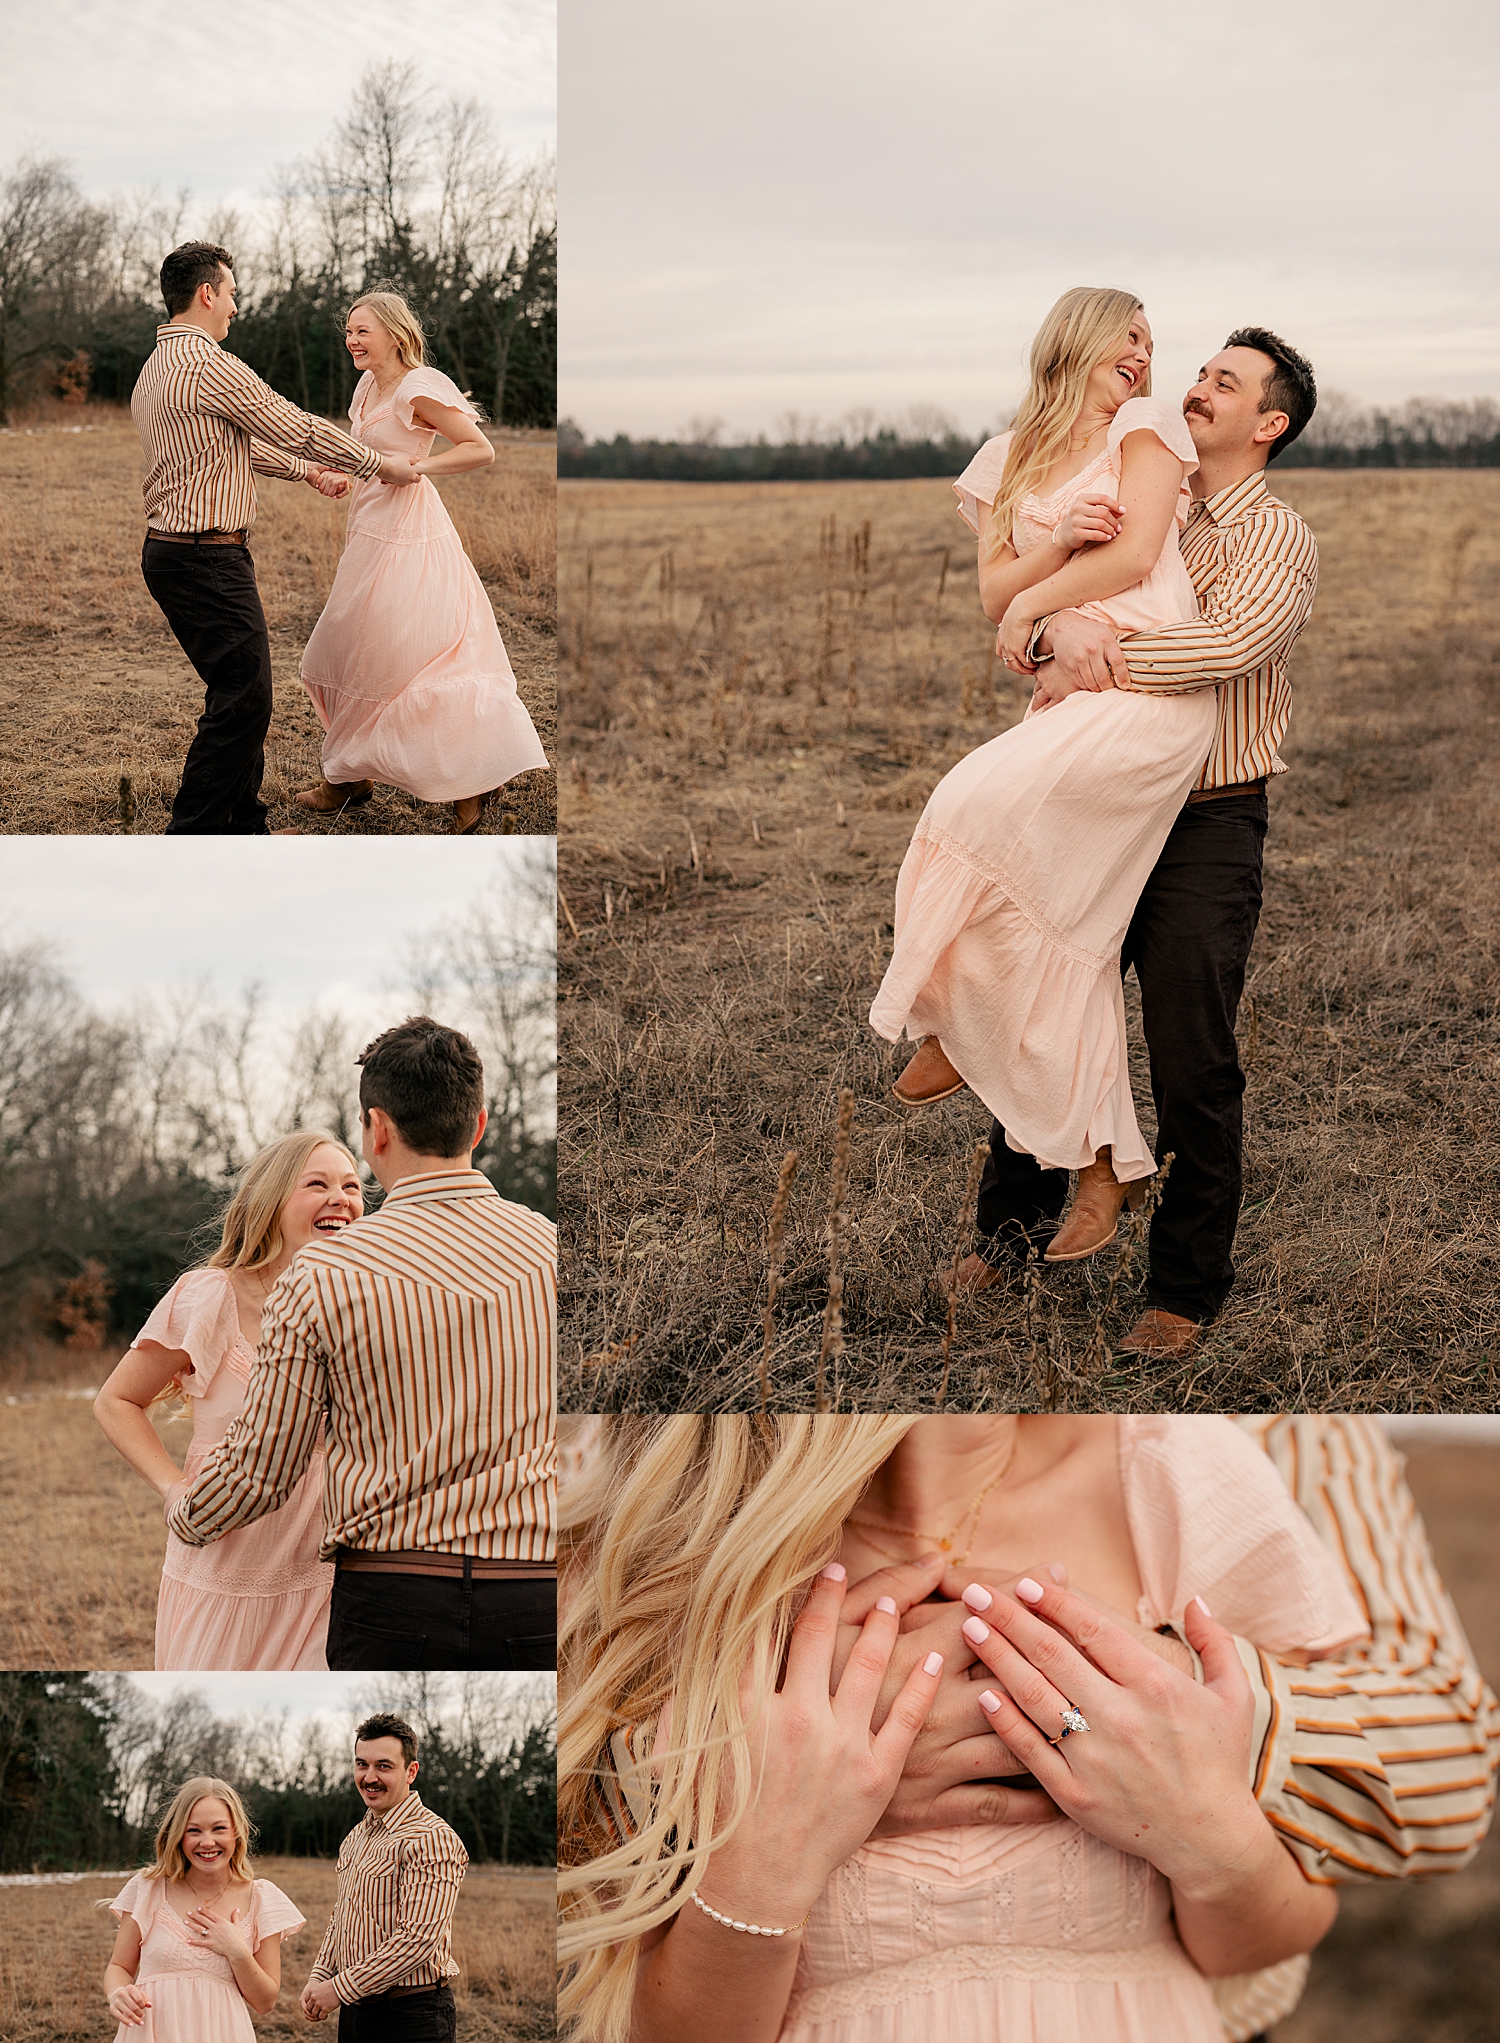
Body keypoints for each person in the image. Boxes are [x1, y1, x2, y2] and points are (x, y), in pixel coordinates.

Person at [557, 1414, 1500, 2043]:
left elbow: (1271, 1925)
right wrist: (772, 1837)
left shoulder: (1178, 1475)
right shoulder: (680, 1533)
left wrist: (1154, 1719)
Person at [950, 323, 1321, 1358]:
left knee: (1192, 1052)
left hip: (1205, 818)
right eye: (1199, 372)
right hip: (1100, 797)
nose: (1197, 388)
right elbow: (1028, 626)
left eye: (1226, 383)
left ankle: (1184, 1285)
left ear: (1270, 422)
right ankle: (1010, 1229)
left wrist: (1086, 642)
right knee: (1046, 1004)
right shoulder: (1139, 490)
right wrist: (1045, 623)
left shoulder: (1273, 533)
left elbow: (1227, 645)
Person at [871, 287, 1226, 1266]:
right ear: (1077, 335)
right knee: (1069, 931)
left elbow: (1143, 552)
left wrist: (1031, 615)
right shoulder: (1008, 457)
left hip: (1147, 686)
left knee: (972, 807)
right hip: (1069, 694)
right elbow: (992, 584)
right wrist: (1056, 552)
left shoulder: (1148, 430)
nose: (1147, 355)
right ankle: (1104, 1159)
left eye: (1152, 342)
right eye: (1131, 333)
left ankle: (951, 1014)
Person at [165, 1018, 556, 1671]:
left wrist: (187, 1512)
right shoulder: (551, 1250)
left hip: (392, 1597)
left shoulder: (323, 1274)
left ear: (376, 1129)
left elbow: (264, 1471)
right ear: (480, 1124)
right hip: (539, 1588)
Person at [131, 242, 419, 836]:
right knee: (245, 699)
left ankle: (244, 829)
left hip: (173, 553)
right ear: (207, 294)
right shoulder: (209, 364)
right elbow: (293, 424)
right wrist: (375, 464)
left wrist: (306, 472)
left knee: (238, 690)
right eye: (232, 293)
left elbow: (223, 446)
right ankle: (196, 835)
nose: (235, 305)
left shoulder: (156, 367)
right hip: (205, 555)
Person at [93, 1132, 363, 1670]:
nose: (342, 1198)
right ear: (271, 1201)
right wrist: (173, 1488)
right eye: (318, 1184)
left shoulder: (362, 1308)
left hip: (326, 1579)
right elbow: (116, 1400)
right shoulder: (210, 1295)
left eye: (353, 1186)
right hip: (223, 1568)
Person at [295, 290, 549, 834]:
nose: (351, 340)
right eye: (349, 330)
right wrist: (350, 473)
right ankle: (350, 776)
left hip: (410, 530)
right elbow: (371, 452)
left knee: (412, 654)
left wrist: (415, 469)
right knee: (348, 645)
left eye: (362, 331)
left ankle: (470, 785)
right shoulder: (368, 384)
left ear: (393, 332)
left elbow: (479, 448)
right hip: (368, 526)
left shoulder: (417, 385)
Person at [299, 1714, 468, 2040]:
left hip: (411, 2015)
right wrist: (320, 1975)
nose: (369, 1777)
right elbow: (344, 1916)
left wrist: (338, 1989)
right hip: (355, 2009)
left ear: (411, 1772)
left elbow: (417, 1939)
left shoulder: (431, 1838)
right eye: (362, 1764)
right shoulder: (356, 1837)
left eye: (384, 1766)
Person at [104, 1776, 305, 2039]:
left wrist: (238, 1952)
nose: (207, 1842)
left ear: (237, 1831)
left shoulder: (261, 1898)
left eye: (219, 1828)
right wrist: (118, 1993)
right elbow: (119, 1967)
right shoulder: (148, 1888)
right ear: (177, 1835)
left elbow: (265, 2002)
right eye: (194, 1830)